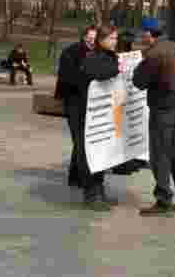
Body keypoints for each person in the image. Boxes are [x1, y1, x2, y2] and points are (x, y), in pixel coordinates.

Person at [54, 24, 120, 210]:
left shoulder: (109, 56)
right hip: (80, 109)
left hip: (99, 113)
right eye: (112, 38)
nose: (116, 42)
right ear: (101, 40)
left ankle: (97, 189)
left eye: (116, 38)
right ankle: (91, 193)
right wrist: (116, 70)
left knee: (98, 151)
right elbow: (94, 74)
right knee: (85, 150)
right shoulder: (86, 57)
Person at [132, 38, 175, 216]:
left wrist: (140, 66)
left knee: (160, 155)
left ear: (150, 36)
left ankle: (163, 199)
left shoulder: (155, 54)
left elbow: (139, 81)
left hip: (161, 111)